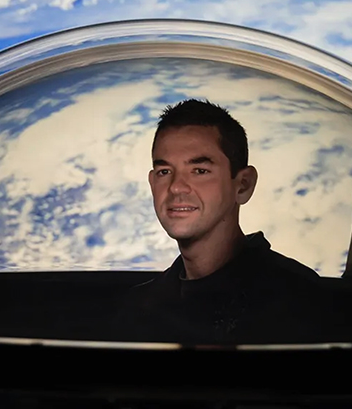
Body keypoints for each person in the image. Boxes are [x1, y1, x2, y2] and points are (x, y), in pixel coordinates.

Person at [119, 99, 333, 345]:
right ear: (152, 183)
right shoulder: (140, 307)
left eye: (200, 171)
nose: (176, 186)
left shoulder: (297, 301)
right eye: (164, 172)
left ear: (243, 185)